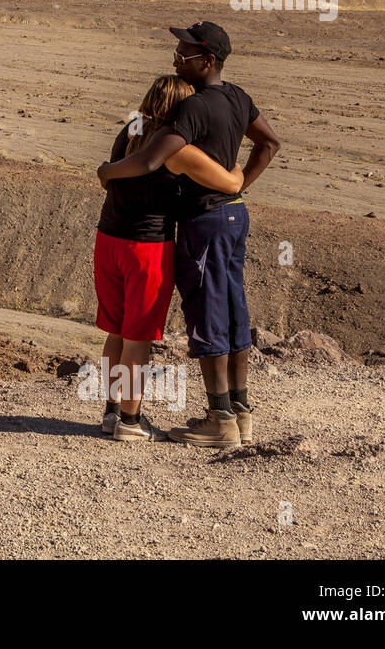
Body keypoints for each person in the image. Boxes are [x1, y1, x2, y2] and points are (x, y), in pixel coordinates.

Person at [98, 22, 280, 448]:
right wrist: (241, 181)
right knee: (228, 312)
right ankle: (230, 412)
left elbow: (146, 163)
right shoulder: (237, 98)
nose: (177, 56)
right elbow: (264, 148)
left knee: (132, 329)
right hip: (182, 234)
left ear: (207, 60)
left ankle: (123, 414)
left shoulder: (142, 132)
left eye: (184, 52)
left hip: (122, 237)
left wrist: (105, 172)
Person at [96, 75, 244, 442]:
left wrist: (106, 171)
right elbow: (230, 184)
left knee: (116, 330)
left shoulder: (130, 131)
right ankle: (132, 421)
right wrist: (239, 170)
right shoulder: (174, 148)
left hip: (108, 239)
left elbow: (109, 176)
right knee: (138, 337)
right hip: (147, 247)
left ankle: (111, 412)